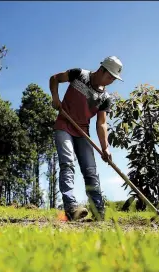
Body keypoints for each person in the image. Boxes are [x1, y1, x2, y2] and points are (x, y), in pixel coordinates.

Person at [49, 56, 123, 221]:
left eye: (114, 78)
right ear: (102, 70)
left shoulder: (105, 98)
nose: (111, 81)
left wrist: (105, 148)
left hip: (82, 132)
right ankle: (71, 208)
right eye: (110, 76)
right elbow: (55, 78)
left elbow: (101, 123)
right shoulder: (79, 75)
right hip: (64, 124)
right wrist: (55, 97)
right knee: (67, 163)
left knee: (90, 171)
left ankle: (98, 211)